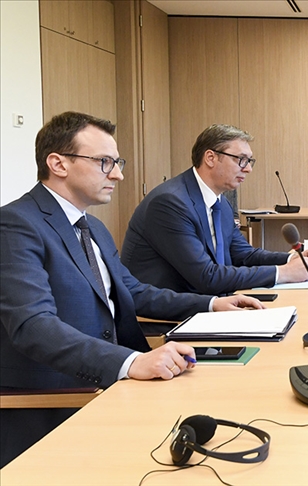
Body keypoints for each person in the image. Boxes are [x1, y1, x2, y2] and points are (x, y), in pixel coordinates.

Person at [0, 112, 264, 467]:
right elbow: (33, 326)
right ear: (58, 164)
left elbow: (134, 292)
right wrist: (130, 362)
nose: (118, 174)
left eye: (117, 162)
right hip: (56, 399)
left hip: (113, 382)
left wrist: (212, 304)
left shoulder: (91, 226)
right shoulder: (16, 225)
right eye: (104, 162)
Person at [122, 124, 308, 296]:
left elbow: (244, 255)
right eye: (241, 159)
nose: (248, 169)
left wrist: (292, 259)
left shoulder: (221, 203)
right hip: (169, 315)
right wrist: (283, 272)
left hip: (209, 302)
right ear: (210, 158)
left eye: (249, 161)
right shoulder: (170, 203)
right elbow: (206, 276)